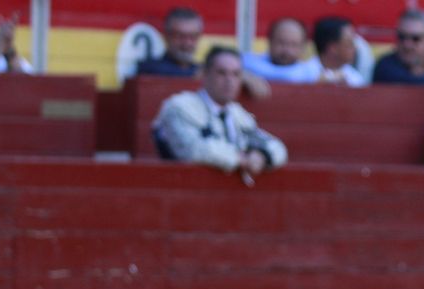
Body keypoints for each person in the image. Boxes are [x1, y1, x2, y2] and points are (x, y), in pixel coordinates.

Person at [153, 47, 288, 177]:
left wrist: (261, 156)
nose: (229, 81)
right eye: (221, 73)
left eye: (235, 74)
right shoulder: (180, 106)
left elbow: (276, 147)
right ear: (205, 74)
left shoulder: (238, 115)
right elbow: (192, 149)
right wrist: (239, 158)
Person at [372, 10, 424, 86]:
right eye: (402, 37)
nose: (407, 45)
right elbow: (410, 84)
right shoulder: (385, 66)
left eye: (415, 38)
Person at [242, 18, 316, 84]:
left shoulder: (311, 73)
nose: (287, 50)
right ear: (270, 41)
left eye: (294, 45)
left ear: (303, 47)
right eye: (281, 43)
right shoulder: (247, 64)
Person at [134, 7, 203, 78]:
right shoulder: (150, 70)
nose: (187, 43)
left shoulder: (201, 71)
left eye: (193, 36)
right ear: (167, 36)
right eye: (180, 36)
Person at [309, 16, 366, 87]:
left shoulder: (355, 80)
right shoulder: (301, 76)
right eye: (350, 43)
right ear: (333, 48)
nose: (355, 48)